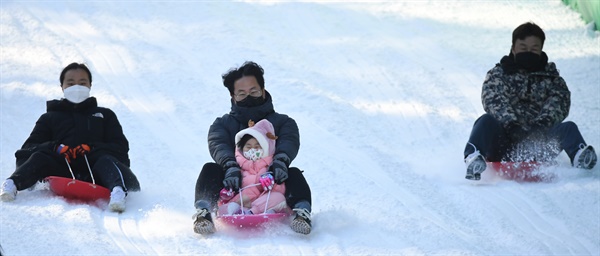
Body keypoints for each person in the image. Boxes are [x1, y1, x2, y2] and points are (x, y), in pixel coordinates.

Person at [463, 22, 597, 180]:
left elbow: (559, 102)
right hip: (503, 142)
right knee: (485, 121)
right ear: (513, 48)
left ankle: (580, 156)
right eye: (523, 48)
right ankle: (474, 158)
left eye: (534, 49)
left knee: (568, 128)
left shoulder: (552, 78)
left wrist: (541, 125)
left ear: (541, 50)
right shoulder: (499, 74)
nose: (528, 52)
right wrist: (511, 124)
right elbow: (493, 100)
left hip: (538, 145)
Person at [0, 62, 141, 212]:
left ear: (90, 85)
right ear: (62, 87)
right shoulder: (49, 118)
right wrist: (55, 147)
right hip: (61, 169)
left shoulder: (105, 115)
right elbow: (28, 148)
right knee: (41, 155)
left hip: (97, 172)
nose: (77, 87)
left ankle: (118, 192)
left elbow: (120, 148)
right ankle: (12, 184)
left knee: (106, 160)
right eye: (71, 83)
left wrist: (92, 148)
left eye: (82, 82)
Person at [193, 61, 312, 235]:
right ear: (233, 97)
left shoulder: (284, 122)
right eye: (242, 93)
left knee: (293, 173)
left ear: (263, 91)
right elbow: (218, 145)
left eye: (253, 91)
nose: (248, 97)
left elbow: (289, 142)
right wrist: (230, 167)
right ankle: (204, 213)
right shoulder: (222, 125)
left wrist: (279, 164)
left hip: (270, 182)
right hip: (233, 184)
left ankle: (301, 213)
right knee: (210, 169)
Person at [217, 119, 288, 216]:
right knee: (225, 206)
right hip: (241, 200)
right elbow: (230, 189)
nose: (253, 150)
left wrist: (272, 183)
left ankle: (251, 213)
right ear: (242, 149)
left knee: (279, 198)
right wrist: (227, 193)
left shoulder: (269, 167)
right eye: (248, 147)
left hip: (261, 201)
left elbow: (280, 189)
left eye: (257, 146)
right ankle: (236, 211)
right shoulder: (238, 167)